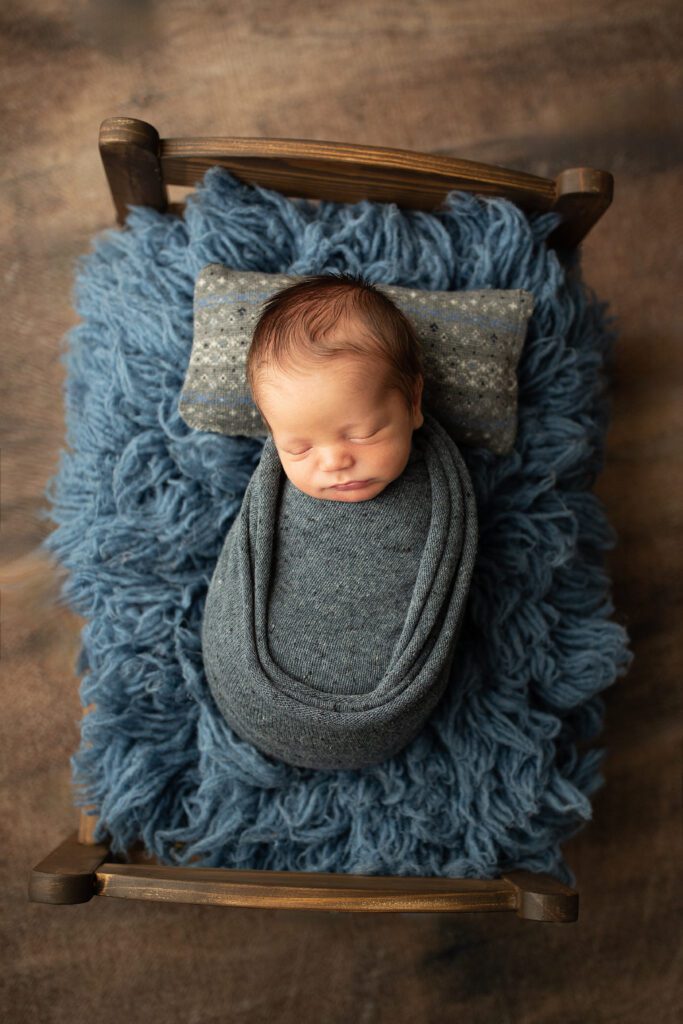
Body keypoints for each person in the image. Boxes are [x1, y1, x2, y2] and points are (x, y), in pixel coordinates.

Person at [245, 272, 425, 502]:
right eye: (299, 449)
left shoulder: (442, 483)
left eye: (363, 435)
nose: (333, 463)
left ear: (414, 401)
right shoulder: (270, 494)